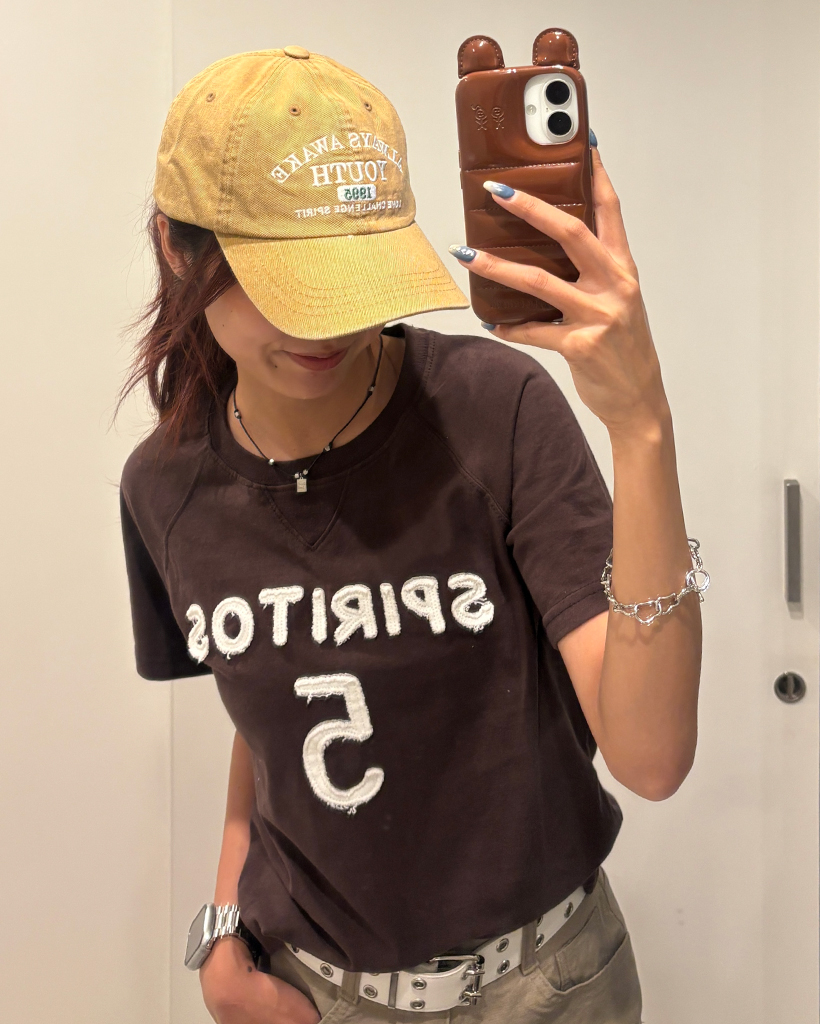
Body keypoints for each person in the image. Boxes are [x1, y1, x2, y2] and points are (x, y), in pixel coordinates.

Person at [117, 45, 705, 1024]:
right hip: (317, 992)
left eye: (350, 274)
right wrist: (223, 936)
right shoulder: (164, 487)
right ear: (178, 249)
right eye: (284, 280)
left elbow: (649, 757)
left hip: (550, 986)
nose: (323, 326)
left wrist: (641, 423)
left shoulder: (492, 409)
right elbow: (267, 711)